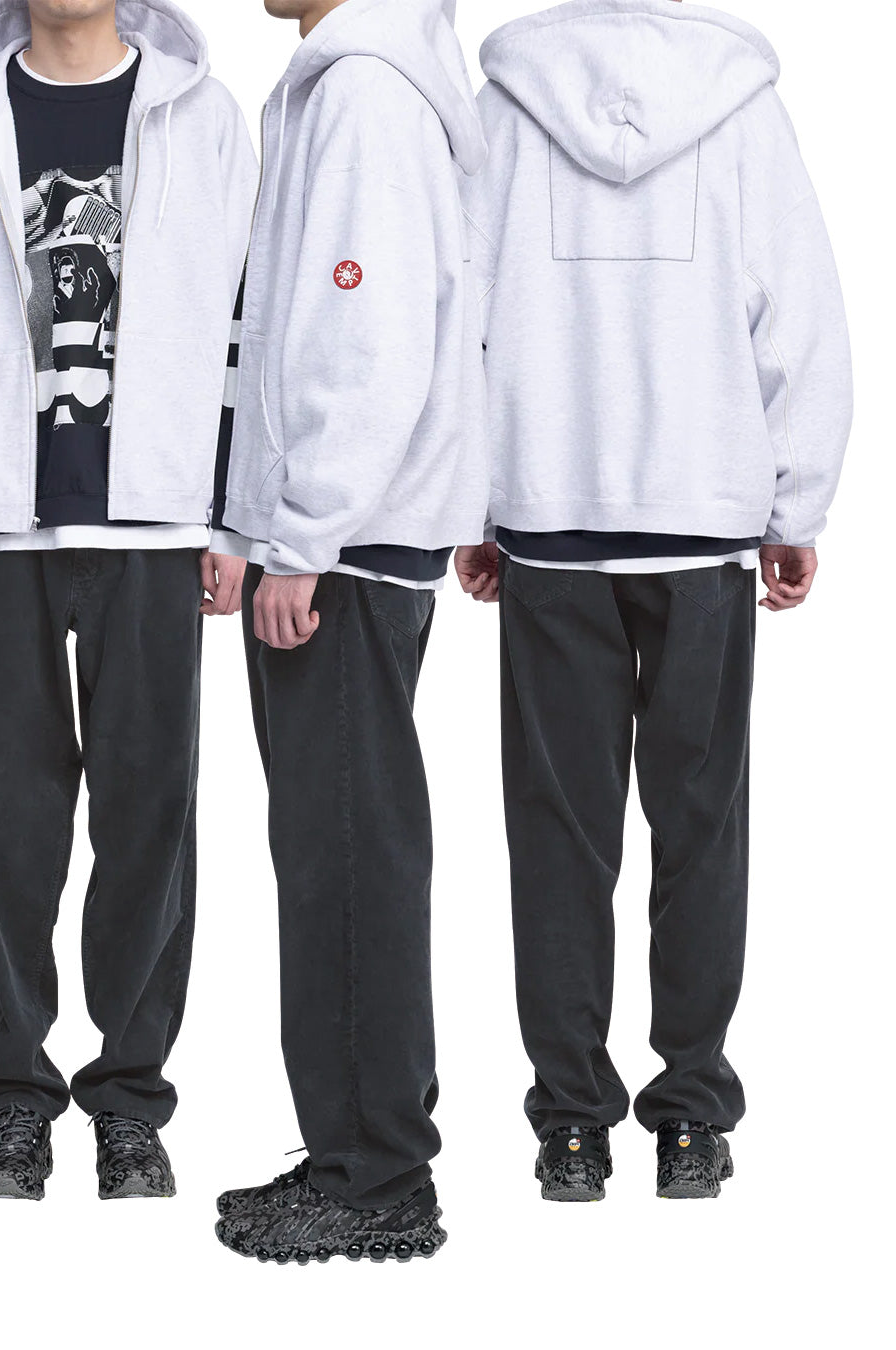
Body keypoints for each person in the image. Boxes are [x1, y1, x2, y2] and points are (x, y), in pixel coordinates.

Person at [0, 0, 258, 1201]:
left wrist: (237, 513)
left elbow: (249, 317)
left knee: (150, 819)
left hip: (157, 522)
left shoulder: (201, 115)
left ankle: (128, 1101)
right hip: (0, 526)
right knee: (8, 825)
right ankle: (14, 1102)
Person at [458, 0, 852, 1200]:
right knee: (700, 834)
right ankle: (688, 1119)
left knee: (556, 838)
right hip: (699, 519)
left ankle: (571, 1128)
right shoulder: (738, 106)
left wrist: (469, 499)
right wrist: (793, 503)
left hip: (550, 513)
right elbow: (798, 311)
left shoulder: (506, 105)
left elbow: (455, 306)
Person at [209, 0, 487, 1262]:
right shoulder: (351, 83)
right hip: (350, 538)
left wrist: (302, 534)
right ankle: (355, 1155)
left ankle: (374, 1183)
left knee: (345, 854)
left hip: (344, 546)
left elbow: (361, 338)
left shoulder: (366, 93)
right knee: (342, 845)